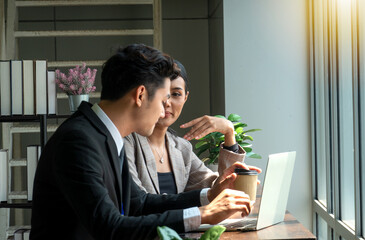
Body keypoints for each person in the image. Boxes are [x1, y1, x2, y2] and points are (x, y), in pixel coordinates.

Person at [30, 44, 260, 240]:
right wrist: (203, 214)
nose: (163, 111)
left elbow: (139, 204)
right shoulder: (78, 140)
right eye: (163, 100)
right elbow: (109, 227)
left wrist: (209, 195)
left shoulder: (105, 134)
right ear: (140, 95)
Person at [124, 60, 245, 194]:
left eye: (176, 94)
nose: (167, 102)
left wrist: (229, 131)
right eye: (161, 93)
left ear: (185, 98)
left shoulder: (182, 148)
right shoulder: (127, 141)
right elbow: (138, 202)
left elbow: (218, 186)